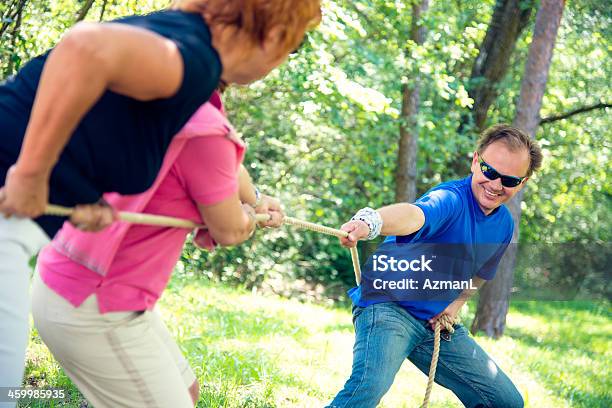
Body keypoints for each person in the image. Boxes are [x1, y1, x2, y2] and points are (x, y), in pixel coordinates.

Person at [0, 0, 320, 395]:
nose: (283, 60)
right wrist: (32, 173)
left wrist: (87, 195)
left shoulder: (185, 61)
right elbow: (85, 46)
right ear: (273, 36)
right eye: (292, 45)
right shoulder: (194, 60)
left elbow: (98, 128)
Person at [31, 91, 284, 407]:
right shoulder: (199, 121)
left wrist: (257, 200)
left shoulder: (187, 99)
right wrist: (245, 217)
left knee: (186, 390)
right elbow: (230, 228)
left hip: (84, 285)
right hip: (92, 301)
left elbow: (226, 165)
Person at [328, 124, 543, 408]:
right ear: (475, 161)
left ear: (523, 182)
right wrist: (371, 222)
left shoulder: (504, 225)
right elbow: (416, 215)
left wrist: (454, 306)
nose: (495, 185)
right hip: (389, 308)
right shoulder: (451, 199)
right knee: (368, 388)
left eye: (509, 180)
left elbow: (480, 274)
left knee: (506, 402)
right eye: (489, 171)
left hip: (434, 326)